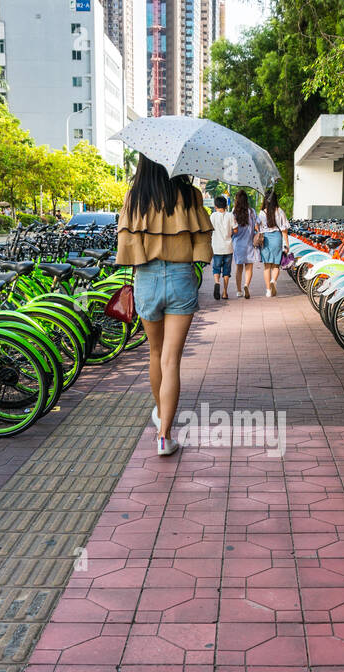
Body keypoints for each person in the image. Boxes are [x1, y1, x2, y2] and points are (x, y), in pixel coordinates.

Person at [115, 155, 213, 457]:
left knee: (155, 354)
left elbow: (126, 245)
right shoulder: (189, 194)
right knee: (171, 360)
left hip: (147, 278)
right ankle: (164, 435)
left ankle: (161, 414)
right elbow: (202, 242)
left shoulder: (135, 197)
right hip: (181, 276)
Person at [257, 190, 290, 297]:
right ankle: (273, 281)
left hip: (265, 239)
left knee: (267, 266)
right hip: (277, 238)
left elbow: (258, 227)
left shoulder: (262, 213)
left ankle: (268, 290)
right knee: (276, 265)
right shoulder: (280, 211)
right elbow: (284, 229)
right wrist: (287, 244)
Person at [230, 190, 260, 298]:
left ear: (237, 200)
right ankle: (246, 285)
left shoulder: (234, 212)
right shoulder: (251, 211)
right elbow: (257, 226)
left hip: (237, 243)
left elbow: (232, 227)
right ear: (246, 200)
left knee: (238, 268)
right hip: (249, 243)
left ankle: (238, 291)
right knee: (249, 267)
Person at [208, 195, 233, 301]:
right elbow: (235, 229)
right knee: (227, 271)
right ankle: (225, 292)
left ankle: (217, 283)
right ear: (226, 205)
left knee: (216, 268)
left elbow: (209, 230)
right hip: (228, 247)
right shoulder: (230, 215)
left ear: (215, 205)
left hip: (216, 247)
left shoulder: (213, 216)